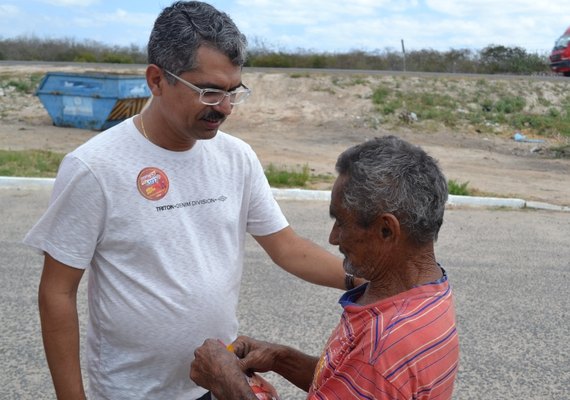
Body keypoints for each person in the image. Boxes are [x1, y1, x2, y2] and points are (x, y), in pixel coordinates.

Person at [23, 2, 351, 399]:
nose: (225, 108)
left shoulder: (236, 157)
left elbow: (287, 247)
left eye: (233, 92)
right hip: (133, 391)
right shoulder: (95, 167)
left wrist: (368, 280)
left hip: (220, 378)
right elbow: (56, 292)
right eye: (209, 92)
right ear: (157, 80)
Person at [190, 135, 460, 399]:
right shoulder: (428, 293)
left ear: (386, 230)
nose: (333, 237)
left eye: (341, 222)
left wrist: (228, 384)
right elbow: (347, 381)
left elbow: (372, 371)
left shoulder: (381, 351)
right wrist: (282, 359)